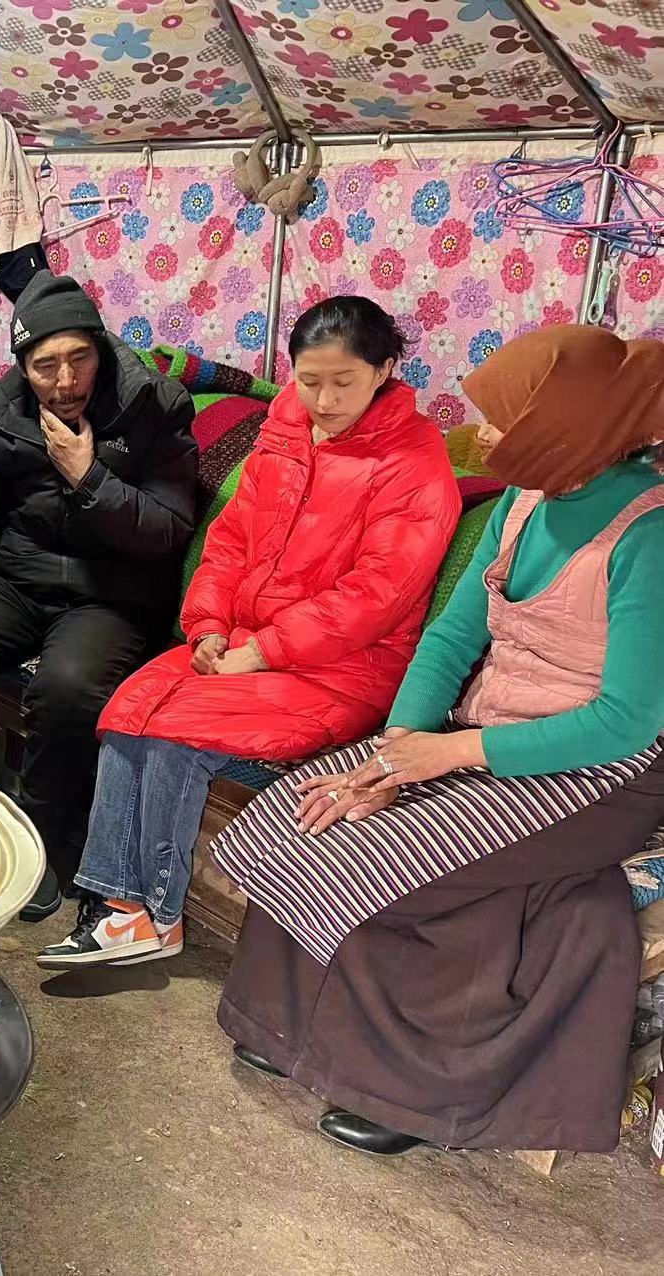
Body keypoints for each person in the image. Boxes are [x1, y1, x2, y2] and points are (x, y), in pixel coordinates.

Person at [212, 324, 664, 1157]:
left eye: (504, 420)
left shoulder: (650, 536)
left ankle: (408, 1094)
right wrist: (395, 749)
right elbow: (453, 637)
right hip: (486, 732)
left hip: (605, 771)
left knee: (395, 863)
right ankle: (284, 1030)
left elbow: (627, 722)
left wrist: (445, 756)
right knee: (307, 811)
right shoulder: (524, 500)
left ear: (566, 430)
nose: (483, 434)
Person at [39, 297, 460, 968]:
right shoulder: (283, 434)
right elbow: (230, 541)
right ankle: (116, 904)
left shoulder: (414, 464)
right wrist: (207, 625)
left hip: (345, 668)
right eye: (309, 380)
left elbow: (375, 597)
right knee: (127, 711)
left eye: (343, 382)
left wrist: (263, 650)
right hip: (244, 645)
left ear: (384, 371)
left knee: (177, 733)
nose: (324, 400)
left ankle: (155, 915)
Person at [0, 271, 198, 919]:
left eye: (79, 359)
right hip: (19, 580)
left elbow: (167, 530)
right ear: (22, 366)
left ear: (100, 347)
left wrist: (88, 476)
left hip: (112, 591)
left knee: (67, 690)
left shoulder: (152, 404)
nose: (66, 381)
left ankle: (36, 842)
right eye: (46, 367)